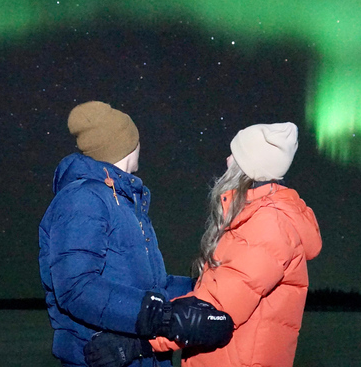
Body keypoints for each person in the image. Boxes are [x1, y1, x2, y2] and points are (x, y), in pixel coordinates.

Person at [85, 122, 322, 367]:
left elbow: (212, 312)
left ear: (250, 166)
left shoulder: (269, 224)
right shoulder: (258, 217)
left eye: (236, 154)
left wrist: (138, 344)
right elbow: (219, 292)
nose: (228, 159)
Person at [40, 101, 234, 367]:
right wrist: (162, 318)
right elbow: (76, 287)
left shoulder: (122, 202)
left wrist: (203, 284)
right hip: (101, 357)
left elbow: (152, 286)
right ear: (130, 144)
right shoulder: (83, 199)